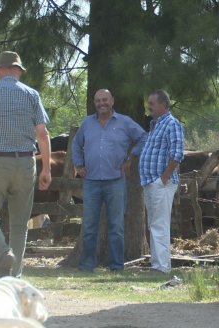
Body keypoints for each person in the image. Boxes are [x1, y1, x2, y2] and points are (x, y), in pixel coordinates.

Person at [0, 51, 52, 278]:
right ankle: (14, 277)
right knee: (20, 223)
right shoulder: (32, 94)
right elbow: (42, 134)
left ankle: (3, 253)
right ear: (19, 71)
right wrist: (47, 169)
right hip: (26, 162)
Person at [72, 89, 147, 272]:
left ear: (112, 101)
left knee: (116, 226)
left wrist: (130, 158)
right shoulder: (87, 123)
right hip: (91, 181)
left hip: (116, 181)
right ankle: (86, 266)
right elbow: (76, 144)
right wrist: (78, 164)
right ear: (94, 103)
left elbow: (144, 137)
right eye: (98, 101)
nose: (101, 103)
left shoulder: (124, 122)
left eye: (105, 100)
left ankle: (116, 266)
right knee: (89, 225)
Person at [139, 89, 184, 274]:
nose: (149, 107)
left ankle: (162, 267)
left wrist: (163, 178)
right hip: (151, 181)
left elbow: (177, 154)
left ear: (163, 105)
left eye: (152, 103)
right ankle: (157, 265)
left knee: (159, 224)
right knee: (154, 224)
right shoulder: (155, 125)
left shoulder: (172, 124)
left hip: (161, 183)